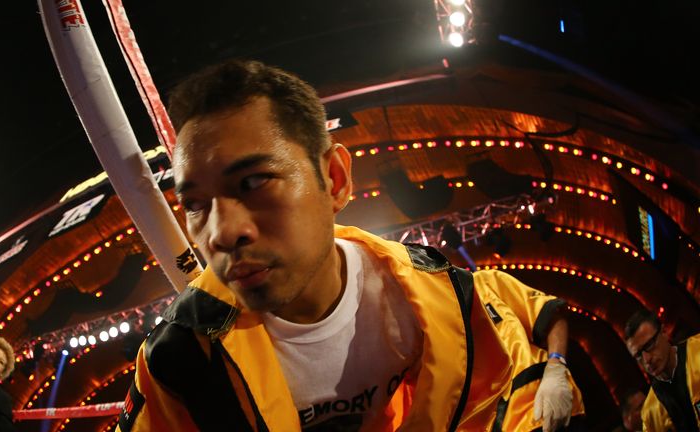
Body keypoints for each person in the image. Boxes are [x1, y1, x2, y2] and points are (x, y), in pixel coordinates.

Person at [117, 59, 530, 431]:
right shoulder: (177, 361)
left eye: (254, 182)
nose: (221, 233)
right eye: (194, 204)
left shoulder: (446, 299)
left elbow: (490, 403)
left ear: (334, 179)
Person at [474, 270, 585, 431]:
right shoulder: (433, 342)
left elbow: (552, 314)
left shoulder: (482, 283)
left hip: (545, 408)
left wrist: (556, 367)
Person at [625, 310, 700, 432]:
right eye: (638, 355)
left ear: (664, 332)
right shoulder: (651, 413)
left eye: (649, 345)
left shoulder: (697, 350)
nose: (646, 359)